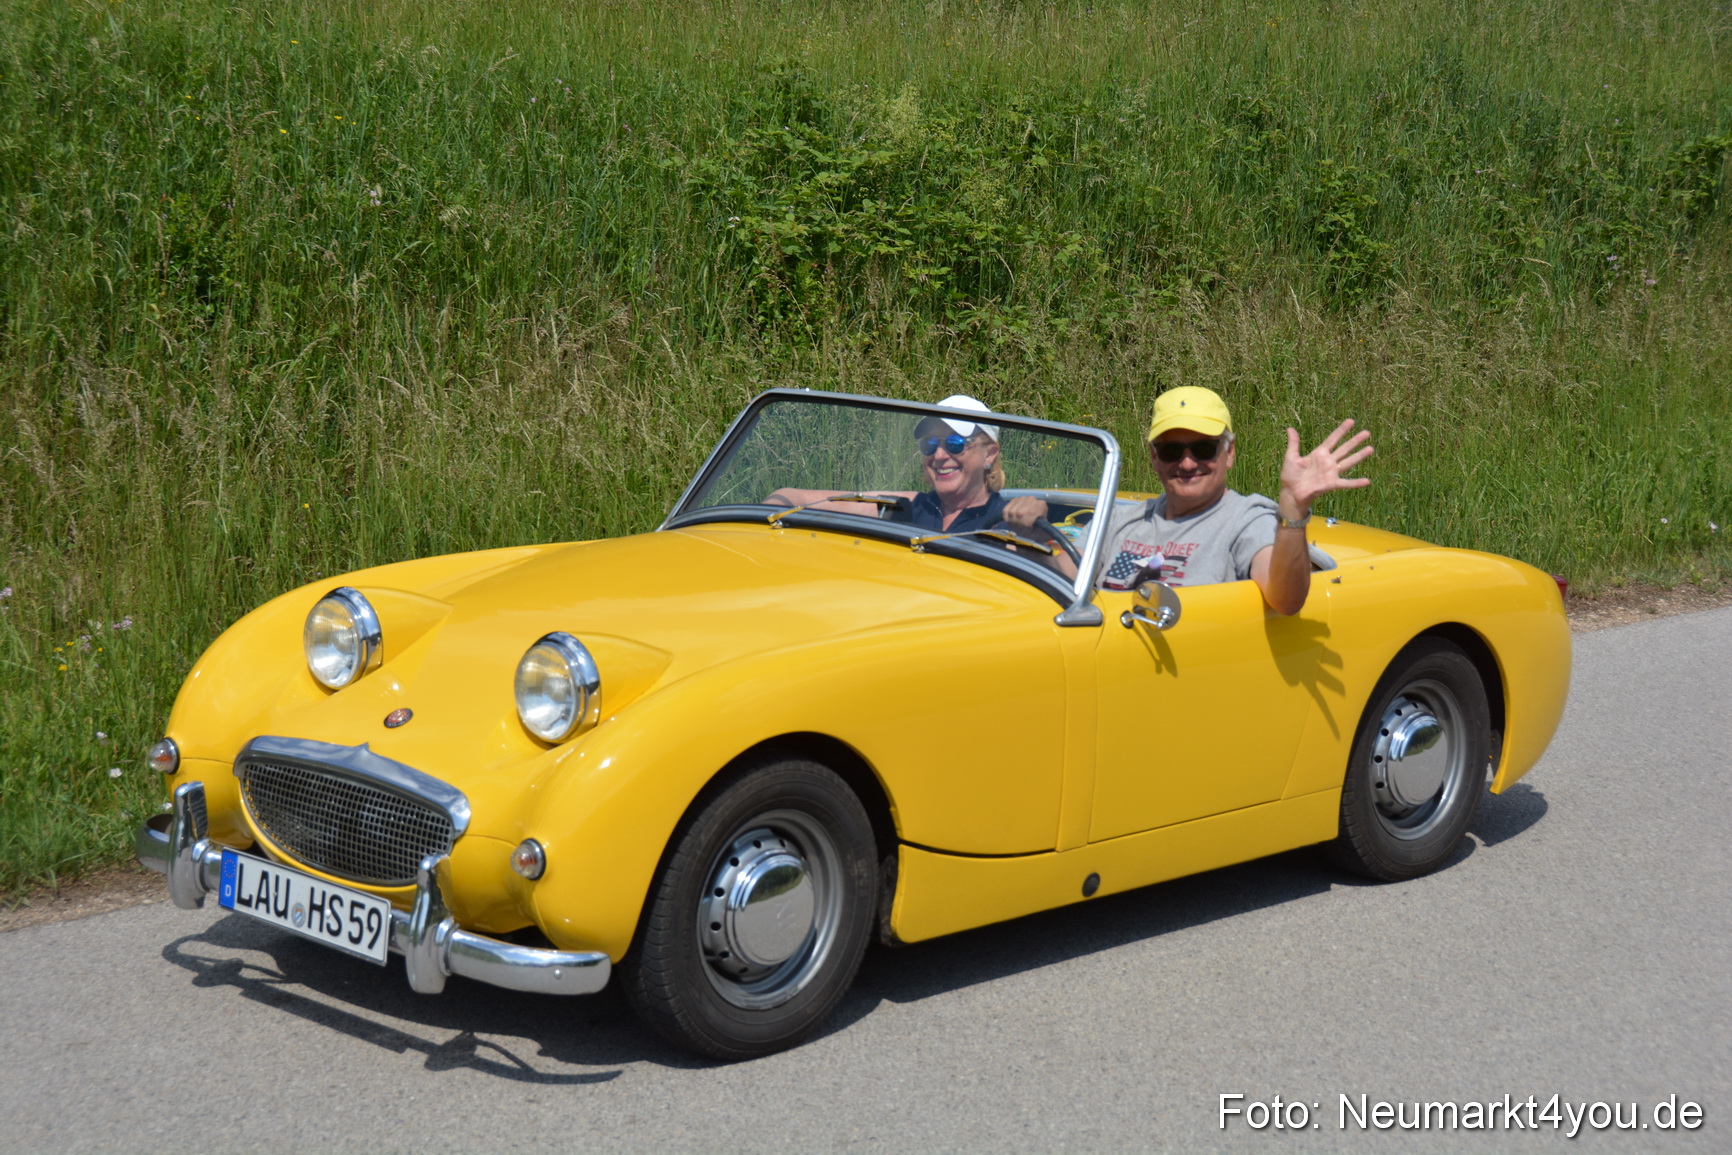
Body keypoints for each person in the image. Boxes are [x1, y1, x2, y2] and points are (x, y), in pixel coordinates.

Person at [1002, 386, 1372, 616]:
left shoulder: (1247, 519)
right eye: (1171, 450)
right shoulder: (1125, 518)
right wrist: (1024, 536)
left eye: (1204, 448)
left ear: (1229, 453)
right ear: (1153, 457)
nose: (1188, 463)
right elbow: (1069, 573)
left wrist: (1292, 508)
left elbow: (1286, 599)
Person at [764, 395, 1008, 533]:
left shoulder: (1007, 522)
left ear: (989, 454)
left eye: (955, 443)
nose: (940, 455)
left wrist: (1032, 530)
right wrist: (769, 514)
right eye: (930, 444)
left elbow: (1045, 566)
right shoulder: (908, 507)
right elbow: (792, 497)